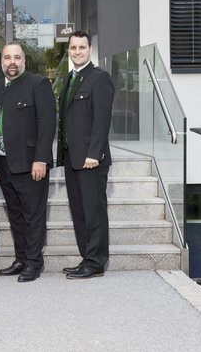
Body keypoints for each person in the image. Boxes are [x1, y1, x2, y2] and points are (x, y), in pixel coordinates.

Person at [0, 42, 56, 282]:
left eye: (17, 57)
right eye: (7, 58)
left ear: (24, 60)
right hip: (5, 164)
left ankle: (34, 263)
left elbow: (47, 124)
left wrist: (41, 159)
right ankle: (21, 259)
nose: (12, 62)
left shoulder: (38, 84)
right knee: (15, 215)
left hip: (30, 164)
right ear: (2, 62)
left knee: (33, 215)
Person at [57, 30, 115, 279]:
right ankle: (86, 258)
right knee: (79, 212)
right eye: (73, 48)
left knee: (94, 213)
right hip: (72, 158)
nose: (77, 51)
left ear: (90, 49)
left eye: (82, 47)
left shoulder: (99, 78)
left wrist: (95, 154)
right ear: (68, 50)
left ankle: (96, 262)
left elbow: (102, 120)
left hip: (91, 159)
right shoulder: (70, 79)